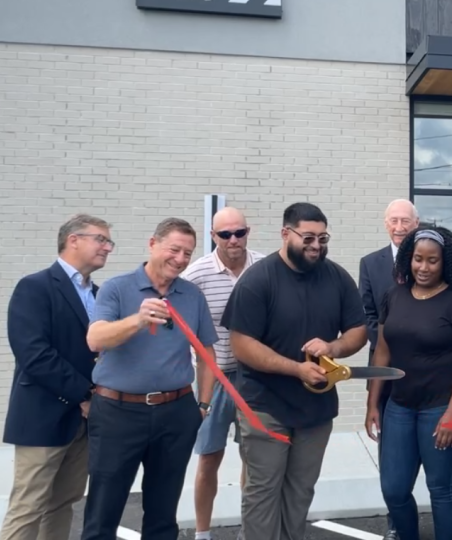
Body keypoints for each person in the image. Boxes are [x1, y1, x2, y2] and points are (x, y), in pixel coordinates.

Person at [221, 202, 368, 540]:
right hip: (265, 408)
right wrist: (296, 369)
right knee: (263, 493)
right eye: (308, 237)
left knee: (300, 491)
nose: (316, 245)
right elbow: (242, 345)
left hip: (316, 409)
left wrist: (334, 348)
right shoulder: (258, 280)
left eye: (323, 237)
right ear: (285, 233)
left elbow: (358, 331)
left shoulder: (337, 277)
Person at [82, 218, 218, 540]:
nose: (181, 259)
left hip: (176, 411)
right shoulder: (118, 288)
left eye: (188, 253)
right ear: (152, 244)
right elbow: (95, 339)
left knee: (163, 510)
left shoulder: (192, 295)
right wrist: (139, 320)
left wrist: (202, 405)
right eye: (174, 249)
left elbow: (207, 354)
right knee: (104, 508)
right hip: (118, 412)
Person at [1, 215, 113, 540]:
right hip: (44, 417)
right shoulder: (34, 287)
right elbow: (34, 354)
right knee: (28, 507)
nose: (107, 248)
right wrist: (85, 394)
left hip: (84, 424)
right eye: (100, 240)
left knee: (63, 504)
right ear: (73, 240)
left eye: (109, 242)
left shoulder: (99, 293)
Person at [365, 226, 452, 540]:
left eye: (433, 261)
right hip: (400, 404)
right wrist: (373, 403)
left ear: (446, 263)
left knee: (439, 487)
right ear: (408, 258)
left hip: (444, 404)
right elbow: (383, 351)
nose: (424, 267)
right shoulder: (394, 295)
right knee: (394, 489)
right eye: (418, 259)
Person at [181, 207, 265, 540]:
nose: (233, 240)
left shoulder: (264, 267)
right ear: (213, 236)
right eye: (225, 234)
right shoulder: (196, 274)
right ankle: (203, 533)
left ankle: (250, 530)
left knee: (254, 458)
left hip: (254, 377)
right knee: (209, 458)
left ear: (248, 231)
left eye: (239, 233)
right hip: (213, 380)